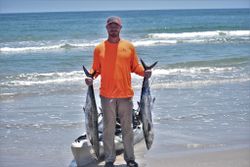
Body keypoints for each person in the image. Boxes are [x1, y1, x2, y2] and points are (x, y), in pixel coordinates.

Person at [85, 16, 152, 167]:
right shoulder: (99, 48)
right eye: (111, 26)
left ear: (120, 28)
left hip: (125, 95)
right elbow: (95, 70)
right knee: (108, 130)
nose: (113, 28)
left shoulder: (129, 47)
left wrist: (145, 72)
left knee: (127, 129)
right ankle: (109, 160)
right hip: (106, 96)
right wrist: (90, 78)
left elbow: (135, 67)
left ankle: (130, 159)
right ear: (106, 28)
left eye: (116, 26)